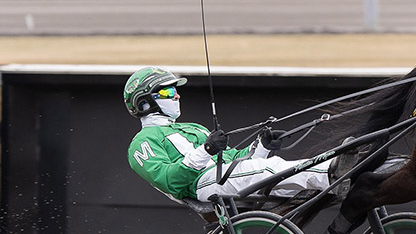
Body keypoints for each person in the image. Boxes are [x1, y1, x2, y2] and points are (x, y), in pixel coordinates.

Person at [124, 66, 352, 204]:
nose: (177, 97)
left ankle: (339, 175)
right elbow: (169, 181)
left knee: (272, 170)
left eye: (176, 91)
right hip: (202, 186)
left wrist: (262, 145)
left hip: (223, 177)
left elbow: (235, 159)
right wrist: (207, 151)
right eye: (168, 91)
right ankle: (333, 173)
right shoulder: (141, 144)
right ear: (144, 103)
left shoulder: (193, 127)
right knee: (267, 169)